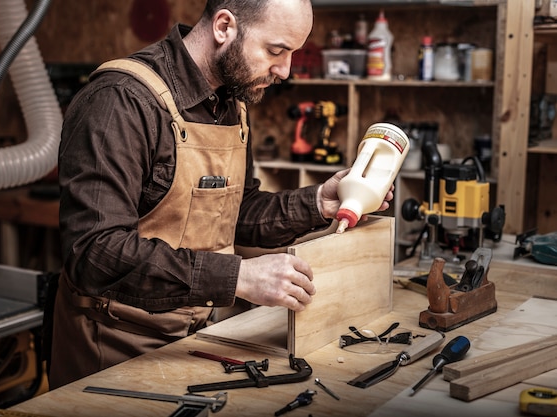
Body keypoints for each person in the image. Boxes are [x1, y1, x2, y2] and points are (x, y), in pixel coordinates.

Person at [48, 0, 393, 389]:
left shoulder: (231, 101)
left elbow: (235, 212)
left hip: (192, 339)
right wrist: (239, 277)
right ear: (224, 27)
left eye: (291, 54)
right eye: (275, 51)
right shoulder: (121, 102)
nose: (285, 70)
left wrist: (319, 203)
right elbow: (95, 253)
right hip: (111, 345)